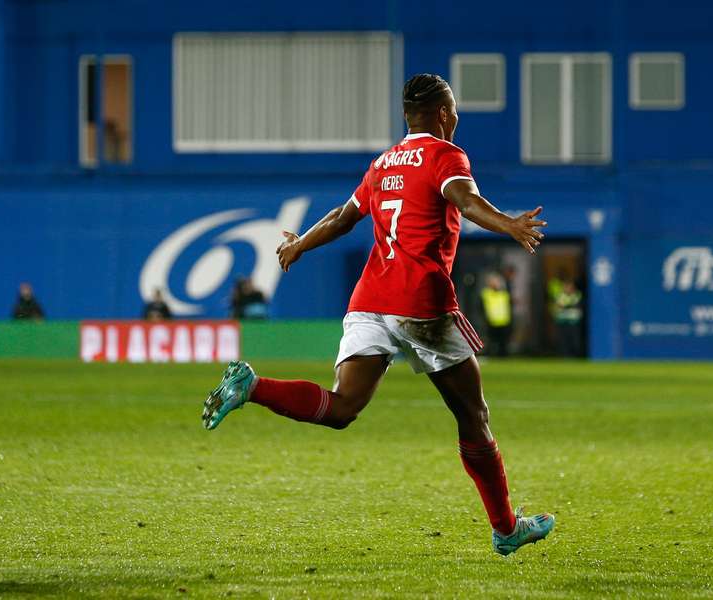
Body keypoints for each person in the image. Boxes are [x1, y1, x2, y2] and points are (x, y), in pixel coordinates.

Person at [201, 74, 554, 556]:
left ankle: (253, 386)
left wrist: (300, 244)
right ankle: (506, 528)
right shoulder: (445, 155)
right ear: (444, 115)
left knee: (343, 407)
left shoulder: (383, 163)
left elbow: (344, 217)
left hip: (368, 300)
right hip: (420, 304)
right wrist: (508, 224)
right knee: (473, 416)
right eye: (453, 111)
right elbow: (466, 201)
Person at [480, 272, 512, 356]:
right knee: (491, 342)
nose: (495, 284)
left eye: (497, 282)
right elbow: (480, 307)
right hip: (491, 322)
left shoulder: (504, 293)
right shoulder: (486, 293)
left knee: (503, 343)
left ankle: (503, 356)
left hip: (504, 321)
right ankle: (489, 355)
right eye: (493, 282)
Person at [553, 279, 583, 357]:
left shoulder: (577, 295)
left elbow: (578, 307)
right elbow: (557, 307)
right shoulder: (560, 296)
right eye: (566, 287)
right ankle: (565, 355)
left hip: (573, 322)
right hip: (562, 321)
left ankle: (575, 355)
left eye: (570, 287)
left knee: (575, 340)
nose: (568, 288)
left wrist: (565, 307)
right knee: (564, 340)